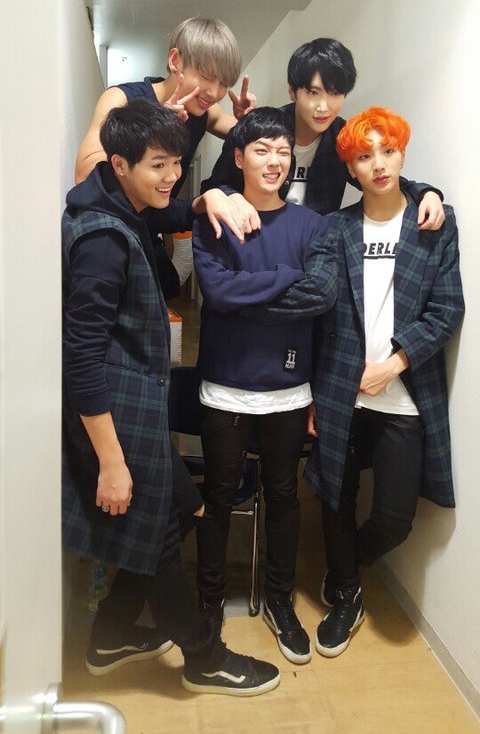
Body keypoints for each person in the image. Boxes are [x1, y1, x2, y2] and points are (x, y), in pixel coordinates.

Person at [62, 99, 280, 696]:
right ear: (119, 164)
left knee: (185, 506)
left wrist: (206, 199)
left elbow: (170, 209)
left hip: (135, 406)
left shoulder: (122, 205)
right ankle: (205, 658)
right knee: (158, 535)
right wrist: (110, 462)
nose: (171, 177)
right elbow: (80, 358)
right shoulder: (103, 239)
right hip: (113, 417)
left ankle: (110, 635)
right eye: (157, 165)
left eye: (177, 164)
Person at [304, 107, 464, 657]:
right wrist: (315, 391)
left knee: (396, 518)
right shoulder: (335, 228)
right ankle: (347, 593)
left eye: (387, 151)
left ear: (402, 155)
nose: (378, 164)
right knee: (335, 495)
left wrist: (393, 364)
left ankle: (346, 561)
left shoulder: (433, 223)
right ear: (350, 168)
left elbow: (447, 309)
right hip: (339, 389)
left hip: (403, 397)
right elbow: (321, 313)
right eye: (364, 155)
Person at [192, 108, 337, 665]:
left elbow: (321, 296)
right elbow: (217, 293)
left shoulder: (311, 226)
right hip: (225, 385)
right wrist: (286, 277)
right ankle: (208, 603)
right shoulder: (217, 217)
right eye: (261, 150)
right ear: (239, 157)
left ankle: (279, 600)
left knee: (283, 496)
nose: (274, 161)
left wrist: (248, 292)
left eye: (282, 151)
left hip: (288, 389)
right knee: (218, 497)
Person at [76, 17, 260, 296]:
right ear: (175, 61)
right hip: (111, 236)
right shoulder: (120, 99)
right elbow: (85, 175)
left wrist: (247, 121)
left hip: (154, 231)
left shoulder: (203, 111)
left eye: (224, 83)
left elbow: (245, 137)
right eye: (206, 76)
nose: (214, 92)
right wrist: (153, 130)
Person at [204, 37, 445, 229]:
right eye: (313, 93)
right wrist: (232, 197)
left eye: (335, 93)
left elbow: (377, 176)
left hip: (314, 252)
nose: (323, 107)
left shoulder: (342, 138)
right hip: (256, 240)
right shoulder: (261, 129)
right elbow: (215, 186)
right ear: (293, 92)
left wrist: (425, 193)